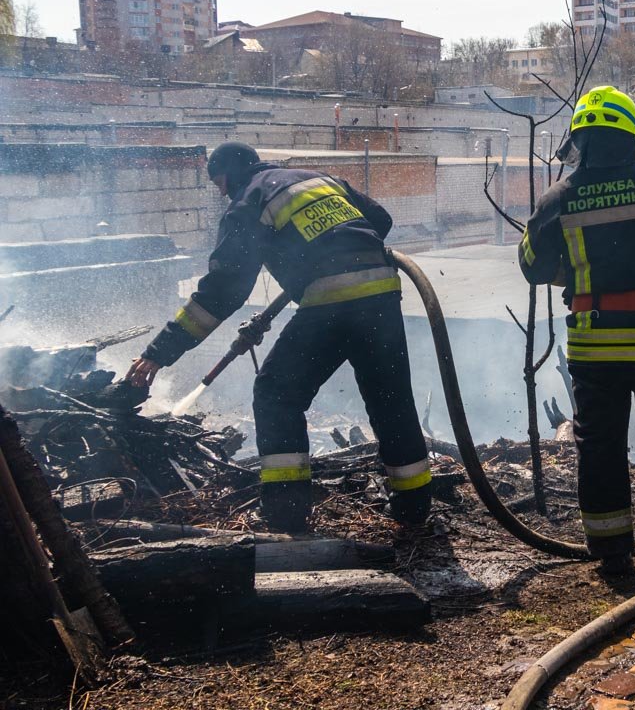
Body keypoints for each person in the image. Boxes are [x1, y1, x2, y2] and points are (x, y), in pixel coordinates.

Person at [126, 142, 429, 534]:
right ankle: (414, 508)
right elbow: (380, 220)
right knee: (391, 400)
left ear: (228, 176)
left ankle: (286, 512)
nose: (221, 192)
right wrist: (323, 251)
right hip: (382, 294)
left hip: (331, 303)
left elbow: (223, 290)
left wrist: (159, 352)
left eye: (218, 184)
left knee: (275, 395)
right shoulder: (317, 179)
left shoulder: (248, 202)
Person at [518, 86, 635, 578]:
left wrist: (577, 269)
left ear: (579, 140)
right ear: (631, 135)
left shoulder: (559, 197)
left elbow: (532, 265)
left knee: (601, 449)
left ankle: (612, 554)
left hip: (593, 347)